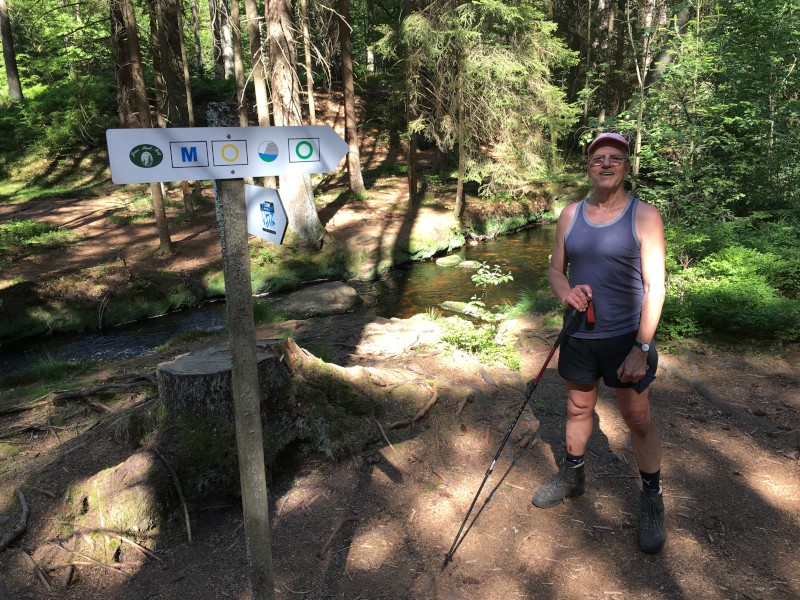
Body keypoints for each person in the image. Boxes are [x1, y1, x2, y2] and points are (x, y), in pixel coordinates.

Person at [531, 132, 667, 554]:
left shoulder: (644, 215)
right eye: (597, 158)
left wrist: (641, 348)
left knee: (637, 416)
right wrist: (565, 292)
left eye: (615, 158)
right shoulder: (570, 214)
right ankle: (573, 477)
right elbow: (556, 269)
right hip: (579, 335)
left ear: (626, 167)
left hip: (626, 338)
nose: (606, 164)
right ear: (588, 166)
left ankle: (652, 498)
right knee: (577, 407)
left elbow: (655, 284)